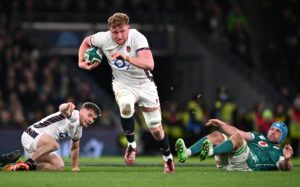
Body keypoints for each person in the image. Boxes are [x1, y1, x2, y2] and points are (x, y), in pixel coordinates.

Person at [78, 12, 175, 173]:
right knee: (125, 106)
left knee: (156, 128)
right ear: (110, 31)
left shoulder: (137, 38)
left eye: (122, 31)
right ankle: (131, 144)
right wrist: (81, 61)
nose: (119, 35)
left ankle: (168, 157)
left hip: (145, 85)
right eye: (115, 32)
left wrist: (127, 58)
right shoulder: (103, 38)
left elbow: (149, 64)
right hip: (122, 84)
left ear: (128, 28)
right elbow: (85, 42)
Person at [6, 102, 101, 171]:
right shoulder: (74, 115)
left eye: (94, 118)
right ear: (82, 111)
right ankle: (28, 163)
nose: (91, 120)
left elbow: (75, 148)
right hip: (31, 135)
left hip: (39, 147)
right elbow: (62, 108)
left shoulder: (78, 130)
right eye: (89, 115)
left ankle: (19, 167)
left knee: (59, 166)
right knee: (54, 145)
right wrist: (67, 105)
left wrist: (74, 167)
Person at [175, 119, 293, 171]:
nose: (273, 131)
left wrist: (287, 160)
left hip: (247, 165)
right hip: (229, 163)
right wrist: (222, 124)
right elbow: (237, 131)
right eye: (272, 128)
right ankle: (186, 153)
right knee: (217, 135)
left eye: (278, 131)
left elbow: (286, 167)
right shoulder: (258, 136)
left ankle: (210, 151)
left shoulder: (280, 152)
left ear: (282, 137)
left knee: (237, 138)